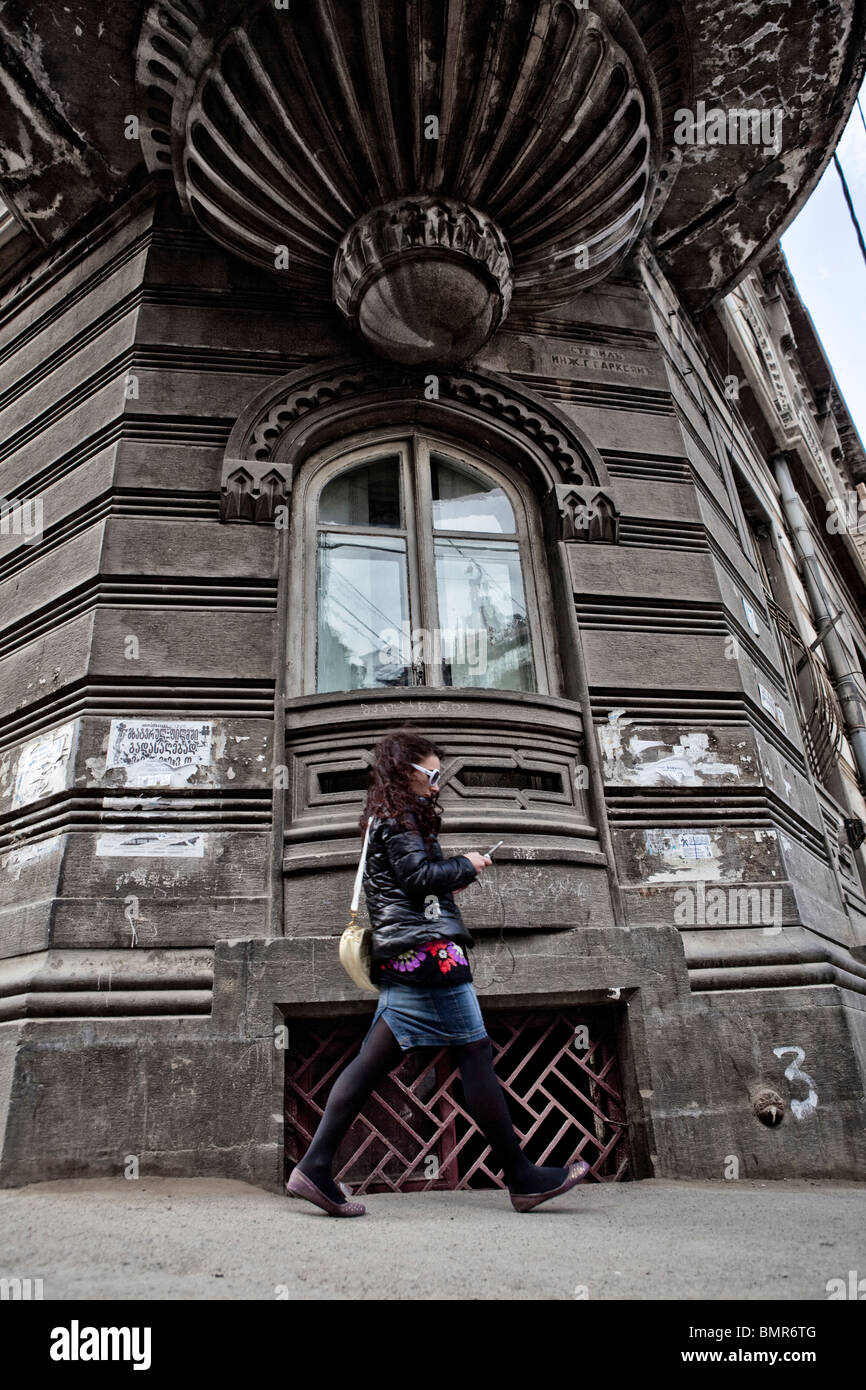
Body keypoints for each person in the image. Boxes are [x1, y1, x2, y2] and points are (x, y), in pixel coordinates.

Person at [286, 725, 590, 1216]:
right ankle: (522, 1176)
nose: (437, 781)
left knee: (370, 1062)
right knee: (474, 1055)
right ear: (406, 771)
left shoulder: (386, 817)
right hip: (431, 956)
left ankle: (316, 1167)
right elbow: (418, 878)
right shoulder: (401, 818)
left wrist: (450, 881)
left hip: (409, 955)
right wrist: (467, 864)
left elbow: (415, 887)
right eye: (430, 771)